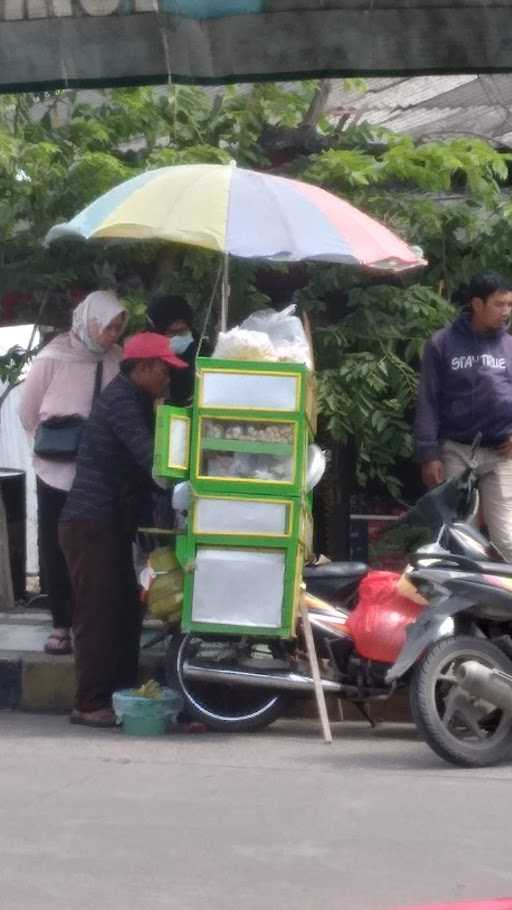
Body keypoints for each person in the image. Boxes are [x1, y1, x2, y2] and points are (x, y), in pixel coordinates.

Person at [58, 332, 186, 728]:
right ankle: (89, 702)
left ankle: (120, 695)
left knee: (125, 611)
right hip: (91, 522)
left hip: (111, 522)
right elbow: (151, 459)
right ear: (143, 368)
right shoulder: (121, 403)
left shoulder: (139, 400)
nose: (168, 377)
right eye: (163, 369)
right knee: (97, 614)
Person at [18, 291, 127, 655]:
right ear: (89, 321)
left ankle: (89, 623)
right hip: (56, 469)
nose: (113, 334)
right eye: (108, 326)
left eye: (117, 326)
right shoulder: (53, 356)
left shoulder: (117, 359)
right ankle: (61, 624)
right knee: (56, 546)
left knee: (96, 548)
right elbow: (28, 411)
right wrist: (53, 444)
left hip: (100, 472)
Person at [415, 270, 512, 560]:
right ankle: (463, 603)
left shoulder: (510, 346)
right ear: (477, 304)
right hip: (456, 449)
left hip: (501, 453)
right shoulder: (442, 343)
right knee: (457, 535)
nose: (506, 312)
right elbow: (428, 401)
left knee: (507, 537)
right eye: (499, 304)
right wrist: (428, 455)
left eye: (509, 305)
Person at [147, 294, 209, 406]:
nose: (179, 337)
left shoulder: (202, 352)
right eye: (173, 332)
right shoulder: (146, 359)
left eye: (183, 331)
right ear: (158, 333)